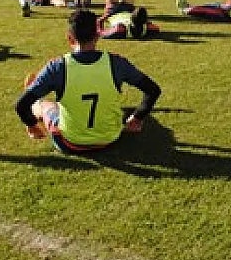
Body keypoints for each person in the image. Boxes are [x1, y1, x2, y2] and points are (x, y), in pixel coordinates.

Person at [15, 9, 161, 154]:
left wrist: (32, 126)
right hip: (110, 138)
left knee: (47, 105)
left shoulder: (57, 67)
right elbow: (153, 90)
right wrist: (137, 118)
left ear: (70, 38)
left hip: (69, 142)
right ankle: (37, 93)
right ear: (97, 36)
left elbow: (21, 105)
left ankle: (36, 101)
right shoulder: (117, 63)